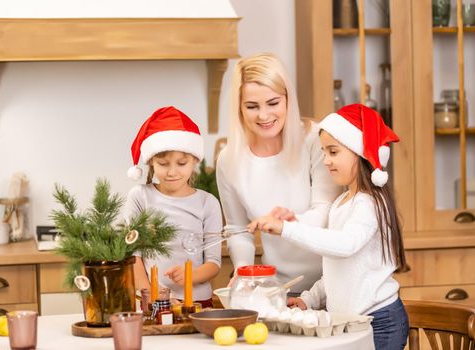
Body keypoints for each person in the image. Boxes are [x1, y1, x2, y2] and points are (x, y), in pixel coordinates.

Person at [248, 104, 409, 350]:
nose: (326, 161)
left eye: (333, 152)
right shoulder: (341, 203)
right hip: (352, 322)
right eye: (324, 152)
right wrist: (309, 299)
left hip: (380, 321)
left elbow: (345, 246)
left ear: (359, 152)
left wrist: (286, 229)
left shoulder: (369, 204)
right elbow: (336, 270)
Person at [215, 53, 340, 294]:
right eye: (252, 106)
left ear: (288, 100)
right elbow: (237, 229)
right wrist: (243, 271)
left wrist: (286, 223)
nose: (264, 116)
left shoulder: (315, 140)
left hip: (331, 284)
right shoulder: (229, 160)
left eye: (273, 103)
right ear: (239, 108)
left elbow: (326, 213)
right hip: (280, 289)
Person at [124, 106, 222, 308]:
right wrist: (150, 295)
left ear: (195, 160)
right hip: (153, 301)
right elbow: (133, 256)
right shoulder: (140, 197)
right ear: (151, 162)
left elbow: (214, 263)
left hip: (197, 302)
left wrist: (190, 276)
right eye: (163, 163)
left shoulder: (207, 202)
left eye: (181, 163)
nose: (172, 172)